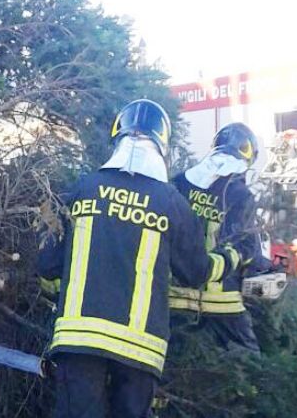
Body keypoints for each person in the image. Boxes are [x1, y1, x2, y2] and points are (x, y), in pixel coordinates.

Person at [36, 99, 245, 418]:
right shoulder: (170, 202)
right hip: (140, 347)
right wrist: (231, 258)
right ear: (162, 145)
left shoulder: (81, 189)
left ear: (117, 137)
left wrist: (60, 296)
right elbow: (196, 272)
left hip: (77, 339)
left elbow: (46, 265)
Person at [170, 122, 269, 353]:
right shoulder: (240, 194)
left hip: (173, 301)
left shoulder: (179, 183)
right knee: (249, 362)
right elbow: (246, 247)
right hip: (221, 302)